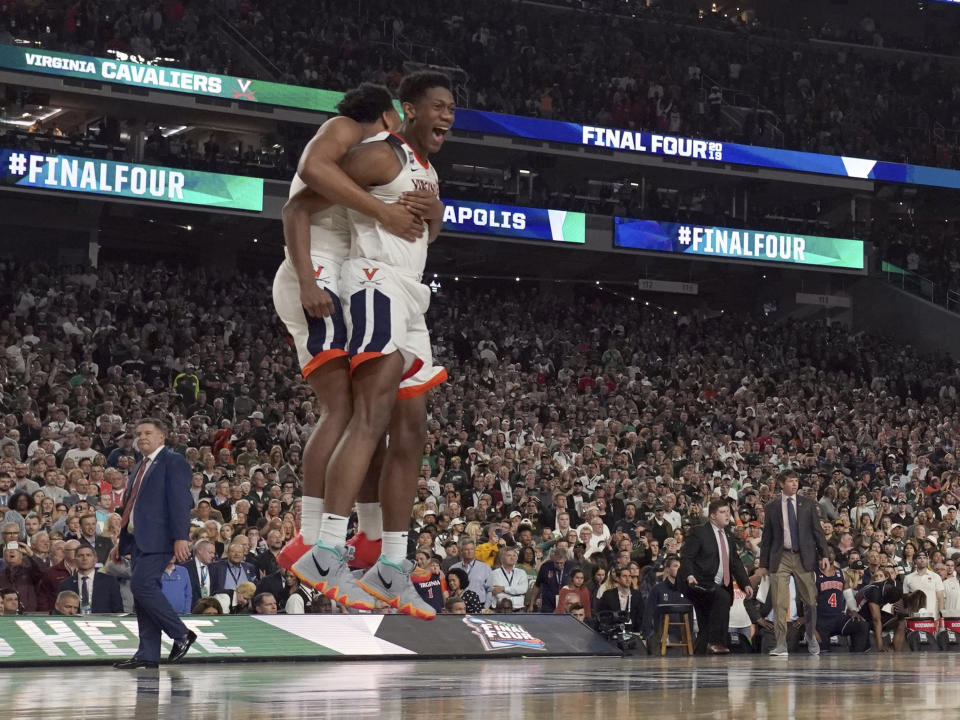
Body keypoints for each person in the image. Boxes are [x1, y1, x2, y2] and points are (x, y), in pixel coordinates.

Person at [295, 71, 452, 621]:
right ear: (406, 110)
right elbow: (302, 204)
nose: (447, 116)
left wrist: (437, 223)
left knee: (412, 430)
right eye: (437, 106)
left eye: (452, 109)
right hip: (373, 282)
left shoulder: (426, 171)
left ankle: (392, 564)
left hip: (411, 296)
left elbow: (420, 233)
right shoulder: (383, 154)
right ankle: (328, 548)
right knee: (370, 413)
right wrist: (311, 278)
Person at [273, 82, 418, 574]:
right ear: (388, 116)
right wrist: (311, 279)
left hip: (333, 274)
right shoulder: (346, 130)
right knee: (342, 409)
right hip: (314, 274)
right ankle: (311, 537)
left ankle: (364, 538)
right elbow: (304, 185)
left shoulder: (369, 161)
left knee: (361, 413)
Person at [114, 419, 196, 670]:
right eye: (138, 433)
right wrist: (121, 541)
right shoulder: (140, 465)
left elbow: (181, 501)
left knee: (142, 585)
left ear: (162, 437)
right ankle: (148, 653)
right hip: (138, 539)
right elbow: (132, 505)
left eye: (148, 433)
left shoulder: (173, 461)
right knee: (141, 596)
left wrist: (181, 537)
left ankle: (181, 633)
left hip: (160, 539)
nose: (142, 437)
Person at [758, 470, 830, 656]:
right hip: (780, 556)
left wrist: (824, 555)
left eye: (796, 481)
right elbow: (767, 537)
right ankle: (781, 643)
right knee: (779, 602)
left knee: (810, 601)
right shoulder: (772, 506)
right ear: (781, 484)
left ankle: (810, 635)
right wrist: (763, 564)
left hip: (802, 556)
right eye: (791, 481)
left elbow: (818, 532)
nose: (795, 484)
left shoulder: (807, 504)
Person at [680, 500, 753, 654]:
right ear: (712, 516)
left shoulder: (728, 534)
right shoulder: (699, 531)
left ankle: (701, 653)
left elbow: (735, 562)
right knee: (723, 598)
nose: (727, 514)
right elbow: (686, 556)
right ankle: (717, 642)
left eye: (728, 511)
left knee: (705, 622)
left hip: (719, 584)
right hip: (700, 582)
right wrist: (689, 575)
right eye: (723, 512)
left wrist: (745, 583)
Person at [813, 555, 869, 652]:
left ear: (833, 556)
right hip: (821, 620)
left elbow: (849, 596)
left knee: (862, 625)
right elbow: (808, 601)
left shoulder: (842, 574)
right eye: (822, 556)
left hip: (838, 617)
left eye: (830, 553)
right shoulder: (813, 574)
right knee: (822, 653)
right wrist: (811, 626)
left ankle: (858, 657)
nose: (827, 555)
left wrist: (854, 610)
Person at [57, 545, 123, 614]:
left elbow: (118, 610)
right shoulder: (65, 584)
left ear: (95, 560)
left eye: (88, 555)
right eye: (80, 555)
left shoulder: (110, 582)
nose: (84, 558)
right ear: (75, 561)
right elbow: (60, 611)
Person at [596, 565, 644, 636]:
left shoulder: (637, 595)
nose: (628, 579)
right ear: (618, 578)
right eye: (624, 576)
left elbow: (641, 616)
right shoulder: (608, 595)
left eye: (629, 576)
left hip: (632, 634)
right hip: (613, 634)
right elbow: (601, 614)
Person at [903, 550, 945, 620]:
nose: (922, 560)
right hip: (915, 618)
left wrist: (941, 617)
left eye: (924, 558)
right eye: (919, 558)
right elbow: (906, 599)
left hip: (933, 617)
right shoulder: (908, 578)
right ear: (915, 561)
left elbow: (940, 599)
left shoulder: (936, 577)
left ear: (928, 560)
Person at [491, 546, 529, 611]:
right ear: (502, 558)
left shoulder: (521, 573)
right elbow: (498, 594)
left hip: (519, 609)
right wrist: (516, 595)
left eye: (514, 555)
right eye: (509, 555)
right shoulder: (494, 573)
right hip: (500, 610)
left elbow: (523, 589)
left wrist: (503, 588)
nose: (512, 558)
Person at [181, 539, 216, 608]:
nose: (213, 556)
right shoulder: (185, 568)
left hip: (209, 609)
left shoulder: (215, 568)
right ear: (199, 551)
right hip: (191, 609)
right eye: (210, 552)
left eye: (214, 553)